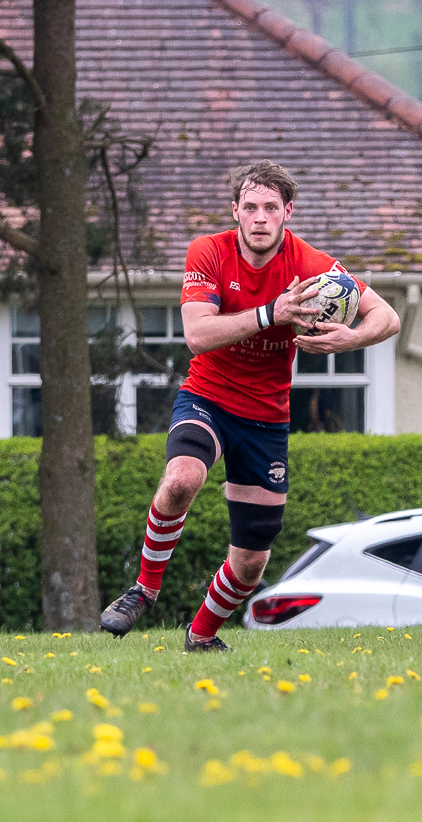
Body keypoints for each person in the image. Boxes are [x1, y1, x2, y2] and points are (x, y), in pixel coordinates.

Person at [99, 161, 400, 651]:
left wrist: (351, 338)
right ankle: (144, 590)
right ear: (235, 210)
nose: (261, 217)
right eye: (252, 207)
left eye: (271, 208)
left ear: (288, 212)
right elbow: (197, 335)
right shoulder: (208, 252)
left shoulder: (310, 264)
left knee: (251, 563)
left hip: (266, 417)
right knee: (180, 480)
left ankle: (201, 638)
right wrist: (270, 313)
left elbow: (388, 317)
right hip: (208, 397)